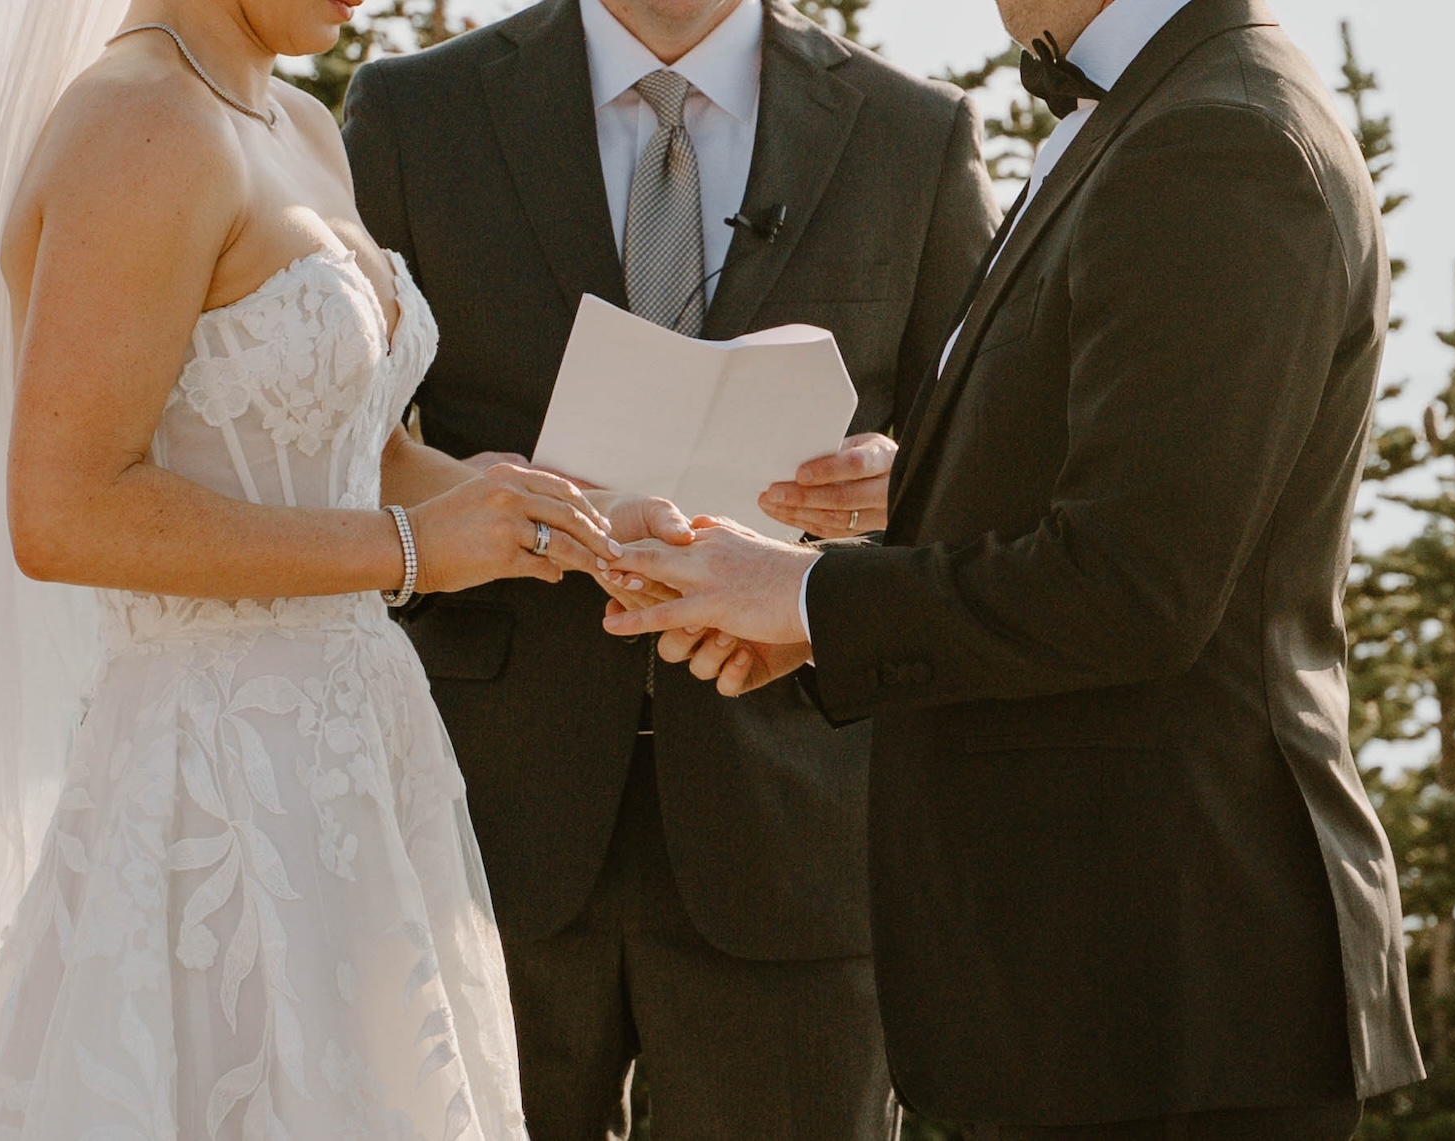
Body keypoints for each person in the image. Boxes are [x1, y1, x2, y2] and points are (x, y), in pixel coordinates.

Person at [0, 0, 688, 1135]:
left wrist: (561, 512)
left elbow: (356, 453)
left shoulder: (298, 124)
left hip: (363, 764)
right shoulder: (137, 125)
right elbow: (67, 509)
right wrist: (419, 553)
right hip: (211, 778)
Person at [600, 0, 1426, 1137]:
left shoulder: (1219, 139)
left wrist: (800, 594)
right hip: (1094, 993)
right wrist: (928, 482)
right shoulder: (1155, 110)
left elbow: (1136, 587)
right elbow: (1126, 483)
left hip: (1171, 989)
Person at [341, 2, 995, 1136]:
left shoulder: (914, 133)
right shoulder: (413, 114)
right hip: (475, 820)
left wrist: (901, 478)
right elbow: (336, 443)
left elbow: (987, 458)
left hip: (799, 819)